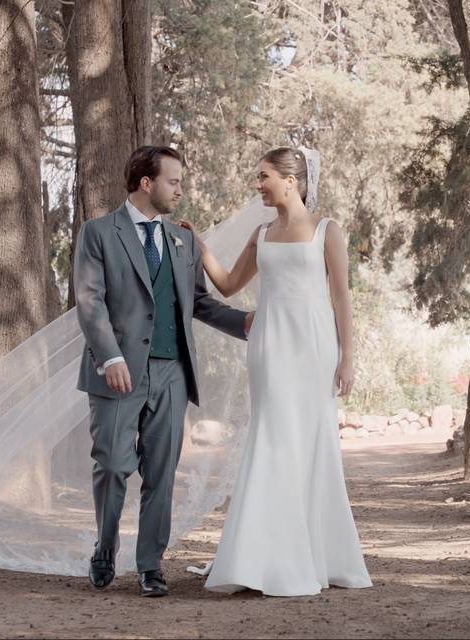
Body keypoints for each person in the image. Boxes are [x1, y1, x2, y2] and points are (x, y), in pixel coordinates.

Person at [178, 147, 372, 597]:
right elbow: (227, 284)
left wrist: (348, 356)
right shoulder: (261, 233)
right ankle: (262, 559)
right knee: (272, 438)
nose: (258, 184)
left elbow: (341, 298)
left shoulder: (327, 230)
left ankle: (319, 557)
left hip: (314, 345)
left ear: (291, 179)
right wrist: (201, 247)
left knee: (312, 441)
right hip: (270, 343)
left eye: (264, 176)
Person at [73, 146, 253, 597]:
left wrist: (248, 323)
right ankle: (104, 549)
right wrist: (110, 357)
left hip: (172, 372)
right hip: (118, 372)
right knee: (113, 466)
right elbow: (90, 301)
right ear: (146, 183)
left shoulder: (183, 239)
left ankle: (151, 565)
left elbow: (201, 303)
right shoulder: (98, 233)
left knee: (162, 472)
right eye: (174, 181)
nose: (181, 190)